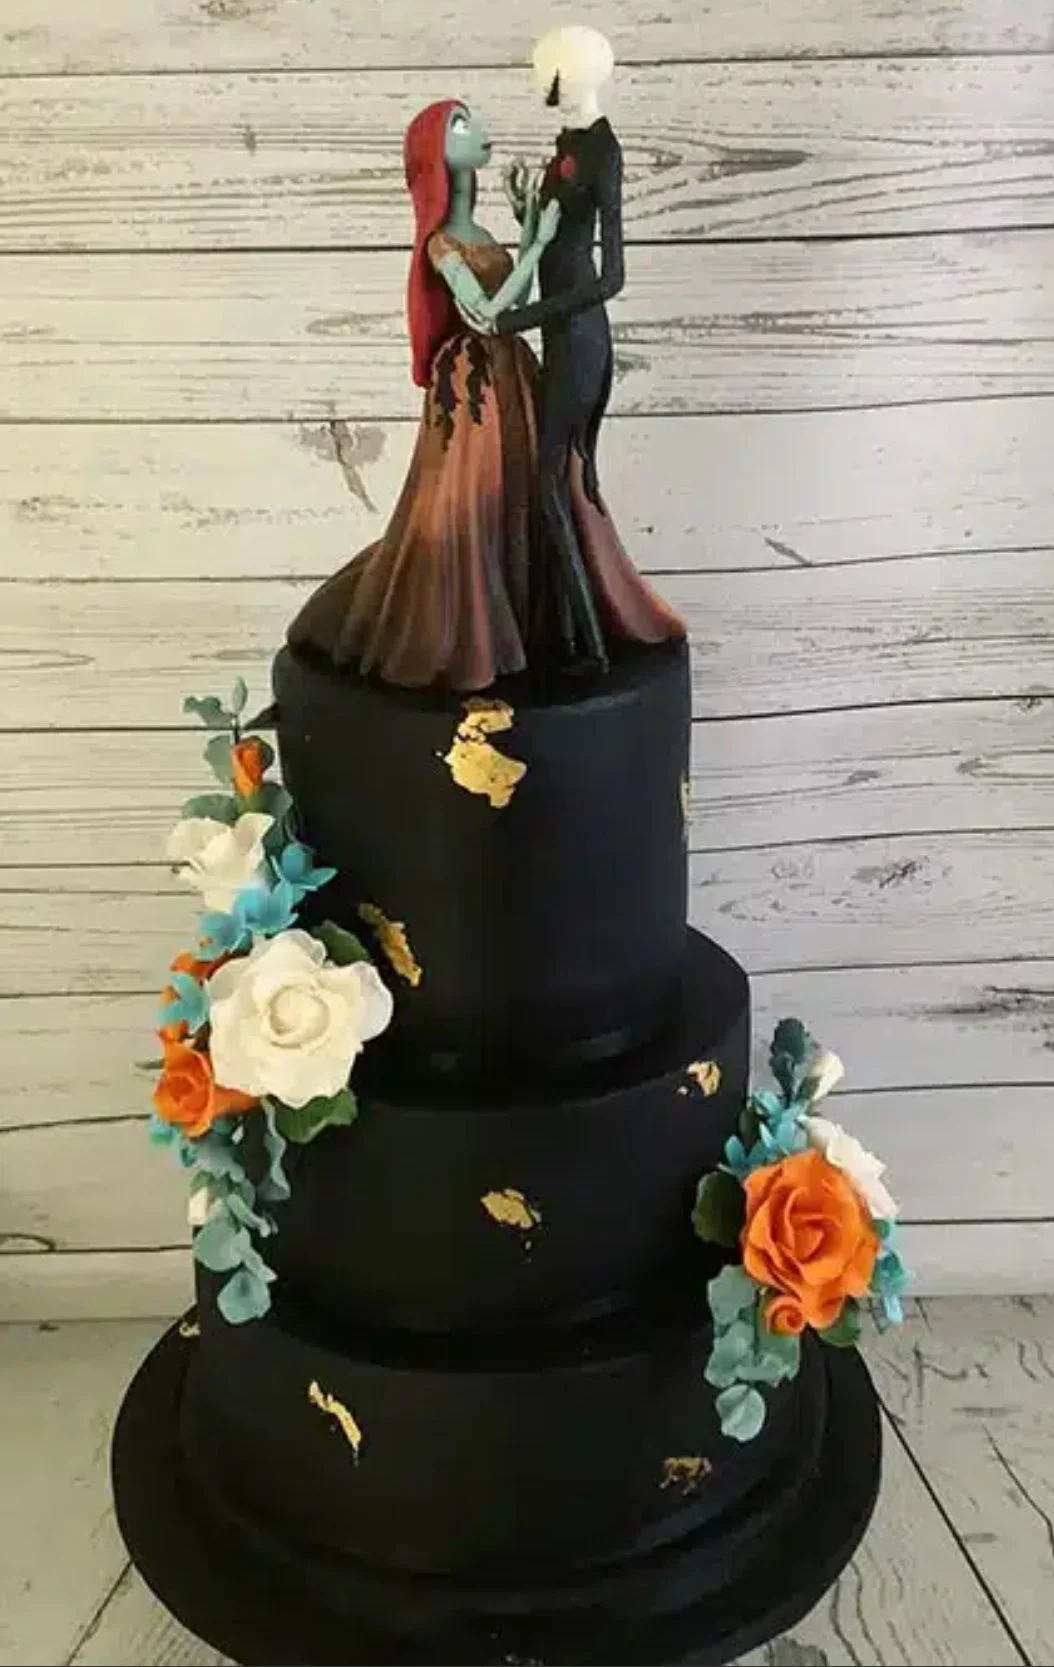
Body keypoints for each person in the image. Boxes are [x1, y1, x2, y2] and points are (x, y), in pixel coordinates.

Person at [288, 100, 559, 692]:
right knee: (469, 501)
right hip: (472, 389)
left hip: (512, 374)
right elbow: (485, 316)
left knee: (517, 491)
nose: (480, 132)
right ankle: (464, 636)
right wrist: (535, 248)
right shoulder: (440, 245)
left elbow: (515, 301)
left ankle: (520, 622)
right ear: (435, 151)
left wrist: (529, 231)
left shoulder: (480, 234)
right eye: (462, 125)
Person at [496, 27, 684, 670]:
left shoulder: (602, 153)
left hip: (578, 339)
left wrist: (527, 316)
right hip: (560, 334)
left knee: (552, 486)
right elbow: (554, 238)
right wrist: (525, 208)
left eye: (541, 68)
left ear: (568, 74)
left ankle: (594, 649)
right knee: (550, 485)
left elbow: (611, 278)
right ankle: (572, 635)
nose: (535, 80)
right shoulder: (570, 145)